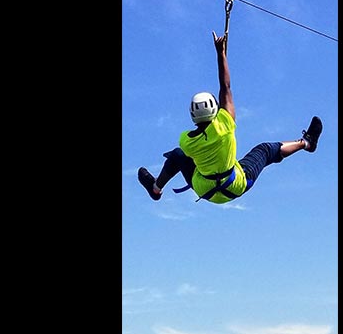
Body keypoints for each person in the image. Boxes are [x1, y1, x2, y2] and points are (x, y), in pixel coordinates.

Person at [137, 29, 323, 204]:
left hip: (204, 189)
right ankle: (306, 143)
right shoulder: (224, 123)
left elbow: (192, 152)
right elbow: (225, 87)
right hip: (234, 185)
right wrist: (221, 53)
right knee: (266, 150)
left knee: (178, 154)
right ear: (215, 110)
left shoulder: (186, 140)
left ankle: (156, 188)